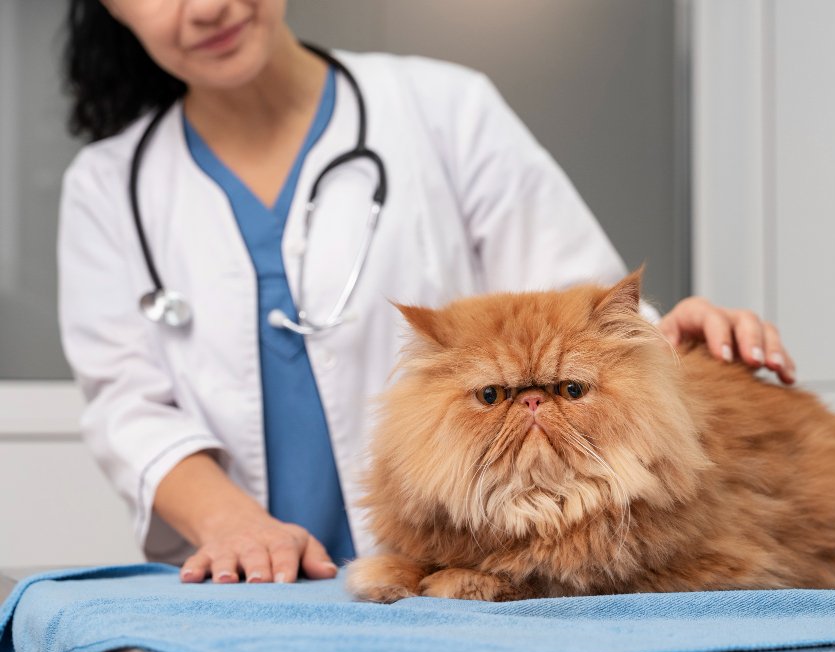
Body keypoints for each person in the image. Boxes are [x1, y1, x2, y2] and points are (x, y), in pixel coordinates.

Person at [58, 0, 797, 586]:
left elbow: (574, 300)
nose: (207, 7)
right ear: (111, 8)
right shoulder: (106, 186)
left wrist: (671, 343)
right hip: (255, 579)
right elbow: (128, 401)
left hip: (472, 565)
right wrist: (230, 526)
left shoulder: (443, 107)